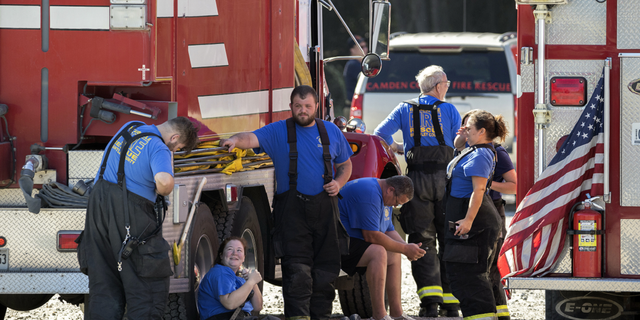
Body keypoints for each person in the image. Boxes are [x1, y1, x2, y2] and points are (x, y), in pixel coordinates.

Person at [221, 85, 353, 320]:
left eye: (308, 106)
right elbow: (251, 137)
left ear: (316, 107)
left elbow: (346, 165)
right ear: (291, 107)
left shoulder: (331, 131)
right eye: (298, 106)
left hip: (326, 211)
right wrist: (233, 140)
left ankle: (320, 316)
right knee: (297, 271)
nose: (303, 111)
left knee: (325, 270)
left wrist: (339, 183)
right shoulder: (278, 131)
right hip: (292, 214)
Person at [77, 117, 199, 320]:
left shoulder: (131, 127)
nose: (174, 152)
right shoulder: (159, 147)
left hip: (99, 207)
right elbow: (164, 182)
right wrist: (166, 182)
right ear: (174, 137)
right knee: (147, 286)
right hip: (131, 215)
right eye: (177, 148)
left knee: (104, 282)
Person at [373, 65, 461, 317]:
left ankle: (429, 304)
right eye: (446, 83)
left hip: (416, 180)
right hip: (445, 180)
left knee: (422, 237)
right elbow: (456, 145)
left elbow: (379, 134)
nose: (447, 86)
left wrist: (400, 147)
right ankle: (452, 305)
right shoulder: (450, 109)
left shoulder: (404, 108)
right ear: (437, 86)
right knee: (450, 238)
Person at [444, 110, 507, 320]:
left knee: (469, 274)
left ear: (481, 131)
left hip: (476, 221)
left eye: (469, 128)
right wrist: (463, 135)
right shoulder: (473, 149)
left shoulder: (481, 154)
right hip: (466, 216)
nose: (465, 131)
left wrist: (469, 220)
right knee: (461, 271)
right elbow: (457, 145)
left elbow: (478, 191)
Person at [338, 176, 424, 320]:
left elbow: (388, 230)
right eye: (397, 202)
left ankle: (397, 313)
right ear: (391, 190)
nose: (395, 207)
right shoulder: (370, 193)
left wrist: (407, 247)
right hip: (336, 242)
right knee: (378, 252)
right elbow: (371, 236)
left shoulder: (384, 195)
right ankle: (379, 316)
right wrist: (405, 249)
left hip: (352, 241)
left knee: (394, 253)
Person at [198, 237, 263, 320]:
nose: (234, 253)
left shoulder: (239, 279)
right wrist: (251, 281)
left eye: (239, 250)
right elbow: (229, 304)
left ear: (243, 258)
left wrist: (252, 282)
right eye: (230, 249)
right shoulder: (220, 272)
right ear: (221, 255)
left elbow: (257, 306)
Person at [343, 35, 368, 114]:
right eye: (361, 47)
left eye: (365, 46)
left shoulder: (358, 64)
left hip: (357, 108)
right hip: (353, 108)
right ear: (352, 50)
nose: (365, 49)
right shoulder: (353, 65)